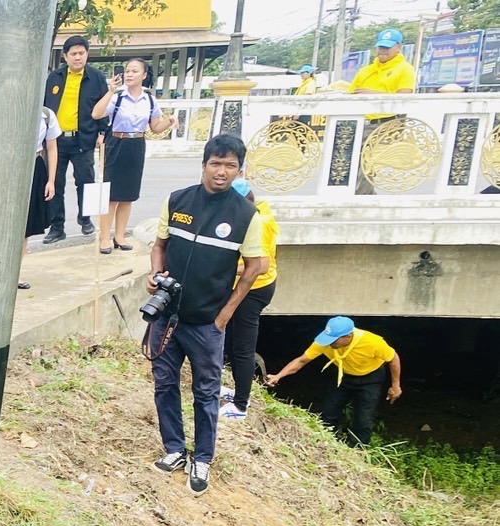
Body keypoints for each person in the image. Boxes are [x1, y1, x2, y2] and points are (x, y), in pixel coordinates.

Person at [146, 134, 268, 496]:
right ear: (203, 165)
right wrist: (155, 275)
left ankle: (202, 458)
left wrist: (226, 313)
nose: (222, 171)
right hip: (167, 317)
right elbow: (160, 245)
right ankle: (173, 449)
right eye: (216, 164)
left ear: (239, 170)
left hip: (207, 323)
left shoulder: (247, 215)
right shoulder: (178, 200)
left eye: (231, 165)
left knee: (205, 391)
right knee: (165, 383)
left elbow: (255, 267)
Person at [265, 317, 402, 446]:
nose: (329, 343)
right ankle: (328, 444)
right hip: (343, 375)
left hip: (370, 377)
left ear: (347, 337)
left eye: (334, 340)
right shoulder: (325, 342)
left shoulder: (373, 342)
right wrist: (278, 376)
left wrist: (395, 386)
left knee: (363, 417)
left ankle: (358, 450)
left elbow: (393, 358)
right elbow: (301, 361)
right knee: (329, 412)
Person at [91, 59, 174, 254]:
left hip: (137, 144)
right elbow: (96, 114)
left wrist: (169, 121)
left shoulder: (150, 100)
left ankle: (119, 236)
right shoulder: (117, 97)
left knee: (128, 195)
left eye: (134, 71)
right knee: (110, 195)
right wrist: (111, 90)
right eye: (127, 71)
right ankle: (104, 237)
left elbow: (155, 127)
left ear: (144, 75)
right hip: (116, 143)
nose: (129, 74)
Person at [219, 177, 277, 421]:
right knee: (231, 343)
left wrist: (223, 266)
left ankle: (241, 405)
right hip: (242, 286)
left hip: (254, 289)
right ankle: (236, 393)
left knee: (243, 348)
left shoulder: (259, 222)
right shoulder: (254, 213)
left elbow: (261, 265)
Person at [43, 35, 106, 242]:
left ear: (87, 54)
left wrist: (102, 132)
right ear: (65, 56)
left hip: (83, 140)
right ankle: (57, 226)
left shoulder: (96, 78)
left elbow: (105, 107)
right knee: (55, 183)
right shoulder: (55, 78)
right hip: (56, 141)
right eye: (73, 54)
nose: (78, 57)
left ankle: (85, 218)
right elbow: (44, 107)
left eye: (81, 53)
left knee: (85, 182)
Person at [347, 29, 417, 195]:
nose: (383, 50)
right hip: (360, 122)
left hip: (386, 124)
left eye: (387, 47)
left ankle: (362, 198)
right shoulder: (366, 70)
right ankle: (361, 196)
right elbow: (351, 93)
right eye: (380, 47)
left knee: (367, 162)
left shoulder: (405, 69)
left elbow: (404, 97)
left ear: (399, 47)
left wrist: (373, 95)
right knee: (346, 160)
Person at [21, 104, 60, 289]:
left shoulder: (46, 114)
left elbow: (51, 148)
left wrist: (51, 180)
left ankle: (16, 272)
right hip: (10, 165)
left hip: (35, 166)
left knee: (25, 225)